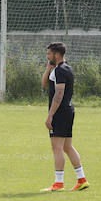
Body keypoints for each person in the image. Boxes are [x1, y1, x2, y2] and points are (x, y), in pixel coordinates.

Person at [41, 42, 89, 192]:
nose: (47, 57)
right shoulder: (66, 68)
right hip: (69, 111)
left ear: (56, 54)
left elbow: (59, 94)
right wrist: (48, 69)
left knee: (57, 148)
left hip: (60, 113)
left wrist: (50, 116)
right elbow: (45, 85)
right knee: (67, 147)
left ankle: (58, 183)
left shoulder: (60, 71)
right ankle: (82, 180)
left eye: (49, 54)